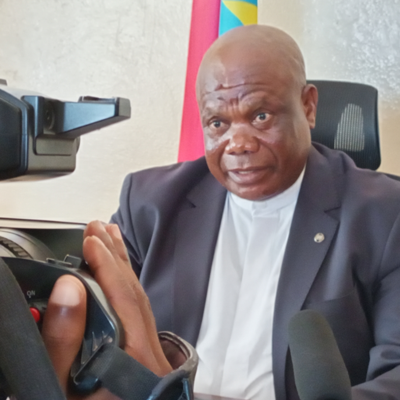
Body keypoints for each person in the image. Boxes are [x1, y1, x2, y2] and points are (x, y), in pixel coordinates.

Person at [45, 25, 400, 400]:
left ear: (308, 106)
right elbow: (96, 337)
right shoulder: (151, 204)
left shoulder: (383, 214)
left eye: (260, 116)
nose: (238, 144)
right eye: (218, 123)